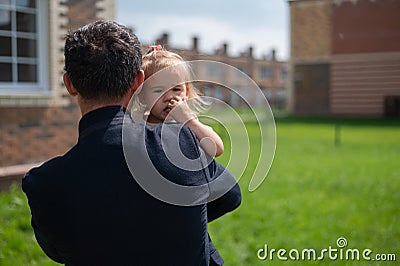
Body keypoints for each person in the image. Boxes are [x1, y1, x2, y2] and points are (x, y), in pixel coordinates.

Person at [22, 20, 241, 266]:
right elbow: (230, 195)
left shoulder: (43, 183)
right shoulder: (182, 142)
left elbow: (58, 250)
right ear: (138, 82)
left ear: (69, 84)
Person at [133, 45, 224, 158]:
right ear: (142, 96)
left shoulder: (190, 123)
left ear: (186, 92)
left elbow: (217, 149)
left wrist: (189, 121)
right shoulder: (138, 122)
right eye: (158, 90)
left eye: (176, 89)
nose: (169, 97)